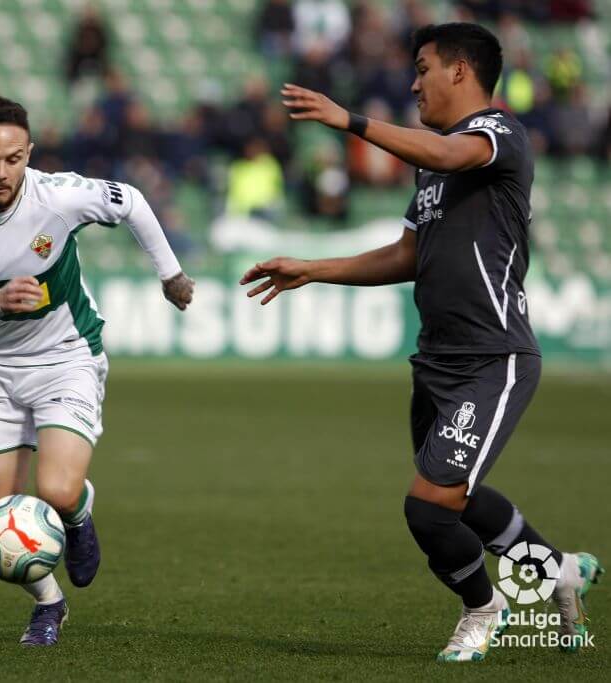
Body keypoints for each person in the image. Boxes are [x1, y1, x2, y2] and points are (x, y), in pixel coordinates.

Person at [240, 23, 602, 662]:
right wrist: (312, 269)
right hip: (435, 360)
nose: (413, 82)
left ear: (460, 71)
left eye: (424, 68)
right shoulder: (429, 169)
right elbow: (408, 254)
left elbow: (448, 155)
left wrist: (350, 120)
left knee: (430, 509)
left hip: (495, 357)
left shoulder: (498, 135)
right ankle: (558, 572)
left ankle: (482, 609)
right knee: (455, 499)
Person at [0, 97, 194, 646]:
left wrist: (171, 274)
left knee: (57, 489)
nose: (1, 173)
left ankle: (78, 510)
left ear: (30, 155)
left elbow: (133, 202)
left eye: (14, 159)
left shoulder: (58, 197)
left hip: (66, 357)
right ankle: (49, 605)